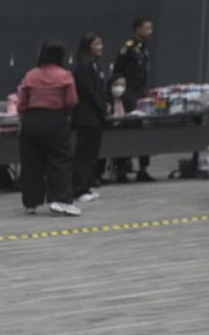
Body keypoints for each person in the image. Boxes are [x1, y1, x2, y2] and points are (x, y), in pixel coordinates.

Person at [17, 41, 79, 216]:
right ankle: (61, 200)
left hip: (31, 120)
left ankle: (31, 203)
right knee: (60, 160)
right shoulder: (65, 76)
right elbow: (72, 101)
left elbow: (21, 104)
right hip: (55, 120)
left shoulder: (30, 75)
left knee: (31, 163)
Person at [111, 17, 155, 182]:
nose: (150, 32)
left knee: (144, 130)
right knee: (127, 130)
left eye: (151, 28)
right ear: (137, 29)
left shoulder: (143, 48)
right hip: (129, 94)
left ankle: (143, 168)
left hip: (141, 92)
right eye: (147, 28)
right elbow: (118, 71)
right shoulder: (128, 49)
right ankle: (121, 169)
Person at [71, 32, 107, 204]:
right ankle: (78, 188)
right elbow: (89, 91)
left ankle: (86, 185)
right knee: (84, 154)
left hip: (95, 117)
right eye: (97, 44)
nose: (101, 47)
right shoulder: (83, 67)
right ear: (88, 47)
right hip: (87, 116)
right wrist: (101, 105)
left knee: (92, 153)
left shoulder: (95, 66)